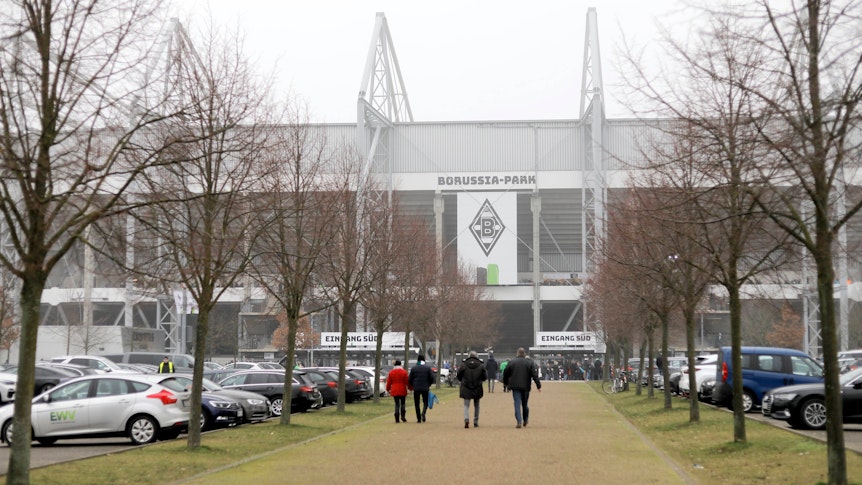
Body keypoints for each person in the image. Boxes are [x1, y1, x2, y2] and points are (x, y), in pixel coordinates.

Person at [502, 347, 541, 428]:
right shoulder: (529, 363)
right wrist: (538, 385)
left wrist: (506, 383)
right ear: (524, 354)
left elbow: (505, 373)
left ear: (517, 353)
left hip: (515, 386)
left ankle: (519, 421)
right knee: (525, 404)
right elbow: (534, 375)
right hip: (526, 386)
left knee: (517, 403)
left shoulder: (512, 362)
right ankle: (525, 419)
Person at [457, 351, 487, 428]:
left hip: (466, 387)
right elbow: (484, 377)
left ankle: (466, 419)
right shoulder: (481, 365)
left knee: (466, 405)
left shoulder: (464, 365)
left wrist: (462, 381)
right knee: (477, 405)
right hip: (477, 387)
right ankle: (476, 421)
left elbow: (459, 375)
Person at [408, 354, 435, 423]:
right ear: (424, 360)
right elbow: (432, 378)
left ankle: (418, 418)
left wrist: (413, 385)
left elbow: (410, 379)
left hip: (416, 388)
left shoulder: (414, 368)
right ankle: (423, 412)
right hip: (425, 387)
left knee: (417, 403)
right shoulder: (427, 368)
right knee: (425, 402)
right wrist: (429, 384)